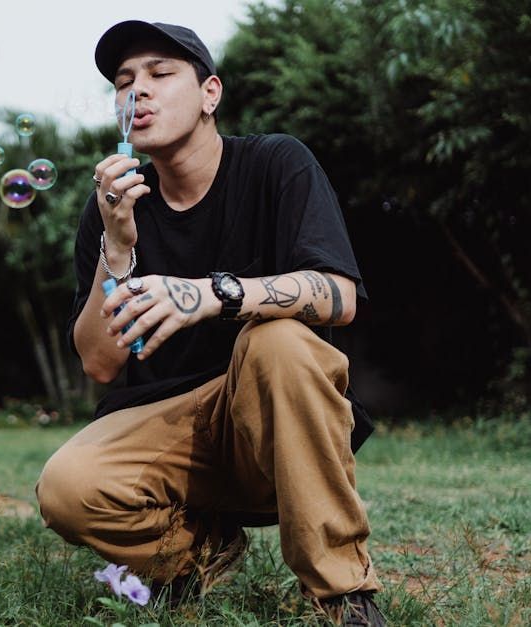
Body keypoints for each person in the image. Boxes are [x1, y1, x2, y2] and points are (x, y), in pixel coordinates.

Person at [35, 21, 386, 625]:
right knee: (66, 486)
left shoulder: (276, 163)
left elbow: (339, 295)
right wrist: (115, 250)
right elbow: (99, 362)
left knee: (276, 339)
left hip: (270, 415)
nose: (136, 91)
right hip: (165, 426)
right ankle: (198, 552)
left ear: (210, 94)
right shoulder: (113, 211)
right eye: (123, 82)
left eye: (159, 73)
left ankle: (341, 594)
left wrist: (211, 294)